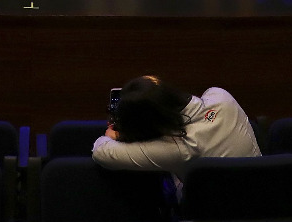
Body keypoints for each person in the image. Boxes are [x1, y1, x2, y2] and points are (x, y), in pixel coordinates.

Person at [90, 76, 260, 186]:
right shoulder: (221, 96)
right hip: (263, 198)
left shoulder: (179, 148)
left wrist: (113, 135)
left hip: (212, 219)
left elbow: (101, 153)